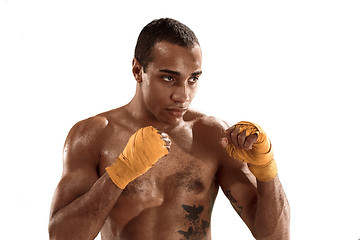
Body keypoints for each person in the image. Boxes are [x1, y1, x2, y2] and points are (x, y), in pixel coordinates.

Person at [49, 18, 290, 240]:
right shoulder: (93, 135)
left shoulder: (213, 136)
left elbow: (275, 237)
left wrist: (266, 169)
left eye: (193, 79)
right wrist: (119, 174)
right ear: (137, 71)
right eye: (168, 78)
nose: (183, 95)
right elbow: (61, 237)